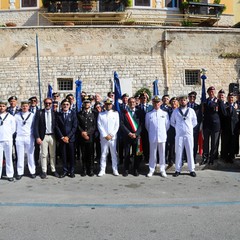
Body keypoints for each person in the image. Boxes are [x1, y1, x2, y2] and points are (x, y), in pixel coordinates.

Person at [171, 95, 197, 177]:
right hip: (179, 135)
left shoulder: (191, 111)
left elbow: (194, 122)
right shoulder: (175, 111)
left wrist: (188, 128)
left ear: (187, 101)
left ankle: (191, 169)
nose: (183, 101)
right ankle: (177, 170)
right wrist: (178, 128)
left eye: (184, 100)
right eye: (181, 100)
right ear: (179, 101)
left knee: (190, 152)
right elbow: (172, 122)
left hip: (188, 135)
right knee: (178, 152)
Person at [34, 98, 59, 179]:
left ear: (51, 104)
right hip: (43, 136)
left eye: (49, 103)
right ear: (44, 103)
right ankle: (44, 171)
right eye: (46, 103)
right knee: (44, 154)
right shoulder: (39, 112)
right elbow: (36, 126)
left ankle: (53, 169)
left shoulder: (55, 113)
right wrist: (37, 137)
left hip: (52, 136)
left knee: (52, 154)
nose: (48, 105)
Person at [145, 95, 170, 177]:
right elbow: (147, 126)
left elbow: (167, 126)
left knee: (162, 154)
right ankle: (151, 169)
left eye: (158, 102)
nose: (156, 104)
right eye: (155, 102)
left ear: (160, 103)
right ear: (152, 103)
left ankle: (162, 170)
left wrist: (161, 132)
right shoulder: (149, 114)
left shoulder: (165, 114)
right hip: (152, 136)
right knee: (152, 154)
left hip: (162, 136)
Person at [120, 97, 143, 177]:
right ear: (128, 103)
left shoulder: (140, 112)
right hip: (127, 136)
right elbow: (121, 124)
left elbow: (141, 124)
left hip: (137, 136)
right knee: (126, 153)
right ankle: (126, 169)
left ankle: (135, 169)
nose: (132, 103)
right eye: (130, 102)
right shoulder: (124, 112)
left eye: (133, 102)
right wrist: (129, 133)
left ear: (136, 103)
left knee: (137, 154)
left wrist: (136, 134)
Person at [55, 99, 78, 178]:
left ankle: (71, 171)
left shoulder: (73, 114)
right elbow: (56, 127)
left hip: (70, 139)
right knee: (63, 156)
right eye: (64, 104)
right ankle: (64, 170)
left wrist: (68, 137)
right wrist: (62, 137)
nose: (65, 106)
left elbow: (74, 127)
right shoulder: (58, 115)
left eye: (67, 104)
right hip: (62, 139)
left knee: (71, 155)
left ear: (70, 105)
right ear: (61, 105)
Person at [97, 97, 119, 177]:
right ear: (104, 105)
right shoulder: (101, 114)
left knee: (113, 154)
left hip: (113, 138)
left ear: (112, 105)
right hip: (104, 138)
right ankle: (102, 169)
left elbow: (117, 126)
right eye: (106, 104)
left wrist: (111, 135)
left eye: (109, 104)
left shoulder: (115, 114)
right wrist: (105, 135)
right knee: (103, 154)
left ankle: (115, 169)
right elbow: (99, 126)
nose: (108, 106)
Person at [15, 100, 36, 180]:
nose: (25, 107)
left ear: (29, 107)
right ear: (21, 106)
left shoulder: (32, 115)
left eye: (26, 106)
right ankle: (20, 172)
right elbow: (14, 127)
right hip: (19, 137)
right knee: (20, 155)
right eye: (23, 106)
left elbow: (34, 126)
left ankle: (32, 171)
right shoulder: (16, 116)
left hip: (29, 137)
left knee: (30, 155)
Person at [200, 86, 221, 165]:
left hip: (215, 126)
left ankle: (211, 159)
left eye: (213, 91)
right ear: (208, 92)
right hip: (206, 125)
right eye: (210, 91)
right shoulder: (205, 101)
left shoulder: (218, 101)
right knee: (205, 143)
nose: (212, 93)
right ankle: (205, 158)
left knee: (213, 143)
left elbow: (222, 114)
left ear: (214, 92)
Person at [77, 97, 96, 177]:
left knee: (91, 154)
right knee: (83, 154)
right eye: (85, 103)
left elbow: (94, 126)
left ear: (90, 104)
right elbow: (78, 125)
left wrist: (87, 133)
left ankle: (90, 169)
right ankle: (84, 169)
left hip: (90, 137)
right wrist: (82, 132)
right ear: (83, 104)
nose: (86, 104)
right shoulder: (79, 113)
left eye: (88, 103)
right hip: (82, 137)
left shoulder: (94, 113)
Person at [218, 92, 239, 163]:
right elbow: (222, 116)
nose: (231, 98)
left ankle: (231, 156)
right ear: (227, 98)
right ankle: (225, 156)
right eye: (230, 97)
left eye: (232, 97)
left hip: (234, 128)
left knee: (233, 142)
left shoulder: (237, 106)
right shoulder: (224, 105)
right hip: (226, 127)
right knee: (225, 142)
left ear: (234, 98)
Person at [0, 100, 16, 181]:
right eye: (0, 106)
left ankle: (10, 174)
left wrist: (8, 135)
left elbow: (13, 129)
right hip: (0, 140)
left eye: (3, 106)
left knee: (8, 158)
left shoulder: (10, 117)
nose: (1, 108)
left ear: (6, 107)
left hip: (8, 140)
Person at [136, 92, 153, 163]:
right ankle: (139, 158)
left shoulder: (151, 107)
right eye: (142, 98)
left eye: (145, 98)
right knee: (139, 144)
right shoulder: (137, 107)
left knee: (147, 144)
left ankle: (147, 157)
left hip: (148, 129)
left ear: (147, 99)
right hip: (139, 129)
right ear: (140, 99)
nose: (143, 99)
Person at [187, 91, 202, 163]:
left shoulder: (198, 107)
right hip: (186, 128)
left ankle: (193, 158)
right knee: (186, 143)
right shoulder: (185, 106)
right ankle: (186, 157)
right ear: (188, 97)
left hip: (195, 128)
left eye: (193, 97)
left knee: (195, 143)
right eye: (190, 97)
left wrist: (199, 127)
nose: (192, 98)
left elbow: (199, 118)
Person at [166, 97, 179, 167]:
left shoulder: (180, 110)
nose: (173, 103)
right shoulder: (168, 111)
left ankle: (179, 159)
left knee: (179, 145)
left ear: (177, 103)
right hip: (170, 130)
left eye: (175, 101)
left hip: (179, 130)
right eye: (172, 101)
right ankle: (170, 160)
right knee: (171, 145)